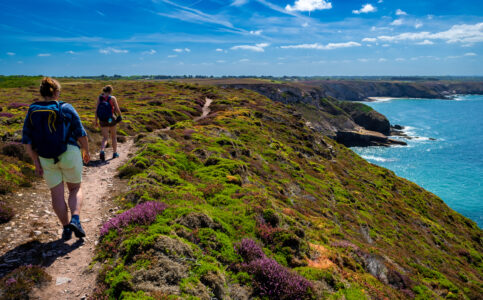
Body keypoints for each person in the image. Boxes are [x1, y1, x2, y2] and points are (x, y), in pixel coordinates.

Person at [22, 77, 90, 240]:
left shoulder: (32, 110)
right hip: (69, 152)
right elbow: (80, 132)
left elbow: (27, 141)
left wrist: (36, 161)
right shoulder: (66, 107)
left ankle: (66, 228)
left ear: (41, 92)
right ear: (56, 92)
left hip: (46, 157)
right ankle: (75, 219)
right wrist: (86, 150)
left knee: (56, 194)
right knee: (75, 188)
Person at [94, 85, 122, 161]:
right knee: (113, 136)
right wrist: (120, 115)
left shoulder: (100, 98)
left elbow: (96, 110)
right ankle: (115, 153)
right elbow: (117, 109)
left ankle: (102, 150)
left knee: (105, 137)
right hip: (111, 119)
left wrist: (96, 121)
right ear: (110, 91)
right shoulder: (112, 98)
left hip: (102, 120)